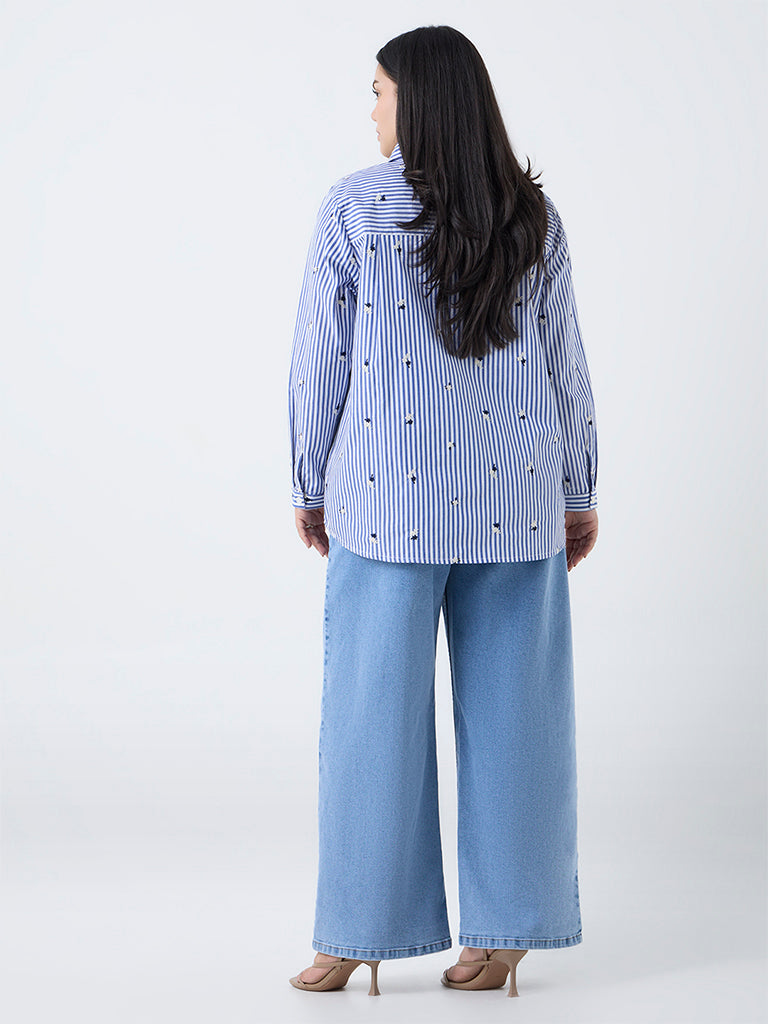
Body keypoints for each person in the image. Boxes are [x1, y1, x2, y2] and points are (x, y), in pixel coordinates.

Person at [286, 25, 599, 999]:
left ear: (417, 101)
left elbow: (318, 360)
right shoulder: (531, 215)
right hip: (518, 503)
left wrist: (307, 480)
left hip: (385, 506)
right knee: (520, 724)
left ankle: (357, 935)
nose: (371, 109)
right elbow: (566, 362)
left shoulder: (354, 208)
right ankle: (506, 936)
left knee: (369, 723)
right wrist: (579, 490)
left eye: (379, 91)